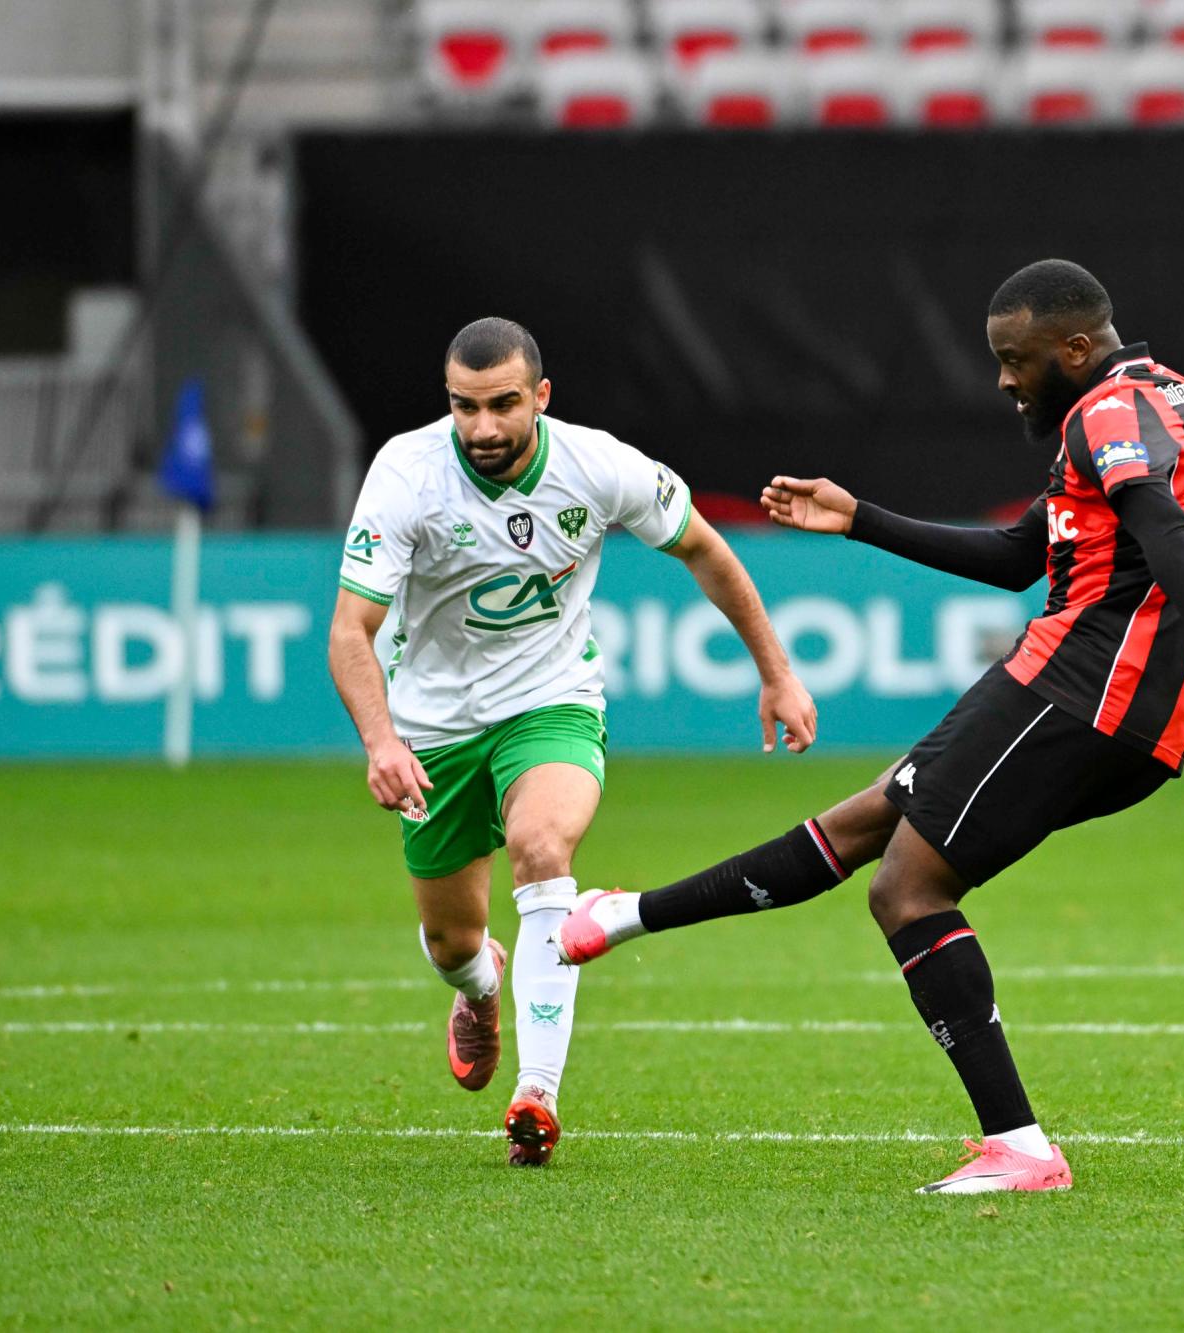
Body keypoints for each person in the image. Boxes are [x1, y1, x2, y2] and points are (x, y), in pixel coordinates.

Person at [554, 260, 1184, 1193]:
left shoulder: (1105, 416)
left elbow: (1163, 529)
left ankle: (1019, 1147)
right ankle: (616, 917)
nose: (1003, 380)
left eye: (1015, 359)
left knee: (907, 890)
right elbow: (1019, 554)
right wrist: (858, 518)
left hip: (1081, 686)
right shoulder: (1163, 398)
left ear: (1075, 348)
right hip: (1123, 706)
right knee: (872, 820)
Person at [327, 317, 818, 1165]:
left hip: (549, 702)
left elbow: (704, 549)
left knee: (543, 843)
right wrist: (380, 741)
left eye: (503, 405)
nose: (481, 427)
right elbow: (349, 629)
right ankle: (480, 989)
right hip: (432, 727)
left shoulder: (600, 465)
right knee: (450, 942)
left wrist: (777, 671)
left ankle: (536, 1096)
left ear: (541, 397)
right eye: (463, 407)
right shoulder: (406, 473)